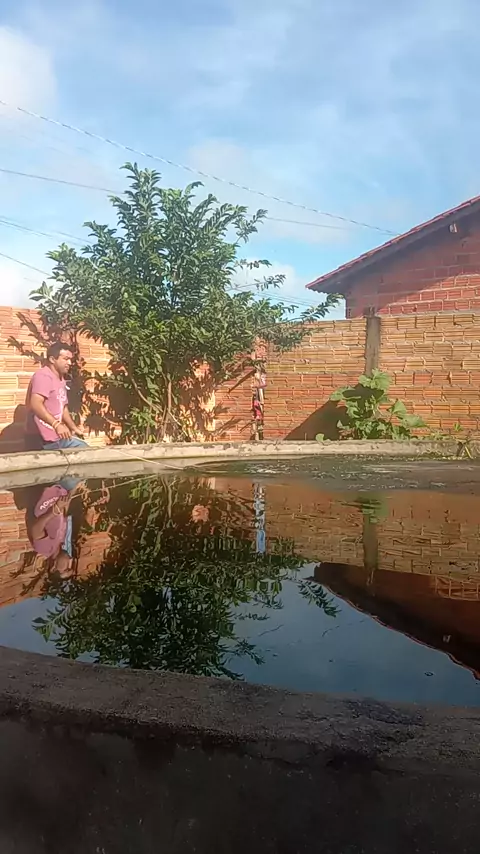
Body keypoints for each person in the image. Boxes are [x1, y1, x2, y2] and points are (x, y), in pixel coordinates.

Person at [25, 341, 88, 451]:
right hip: (42, 439)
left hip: (56, 437)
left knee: (84, 450)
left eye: (70, 359)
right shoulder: (43, 376)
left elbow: (63, 407)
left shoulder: (60, 378)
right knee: (85, 451)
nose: (69, 363)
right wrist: (57, 425)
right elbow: (35, 404)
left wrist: (73, 428)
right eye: (65, 359)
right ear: (52, 359)